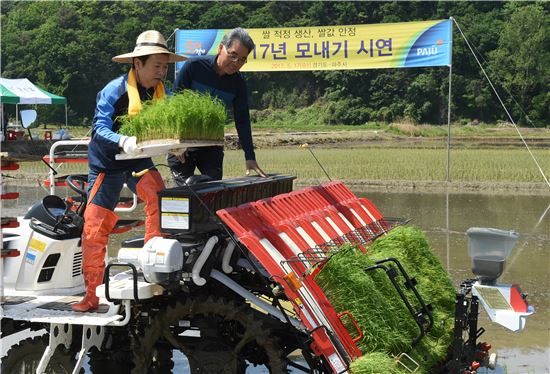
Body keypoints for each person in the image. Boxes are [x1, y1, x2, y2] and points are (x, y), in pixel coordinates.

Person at [72, 30, 185, 312]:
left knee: (159, 199)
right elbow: (99, 129)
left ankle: (152, 264)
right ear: (138, 64)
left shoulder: (161, 94)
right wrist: (123, 140)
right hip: (107, 164)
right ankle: (90, 295)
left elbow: (165, 127)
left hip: (137, 160)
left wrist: (175, 146)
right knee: (95, 227)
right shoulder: (114, 90)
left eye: (165, 66)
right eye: (157, 66)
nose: (162, 72)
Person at [167, 27, 266, 184]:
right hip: (183, 143)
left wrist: (250, 156)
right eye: (233, 55)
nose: (236, 63)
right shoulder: (194, 67)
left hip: (212, 143)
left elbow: (242, 121)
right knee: (185, 195)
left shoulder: (238, 83)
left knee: (212, 192)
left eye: (242, 59)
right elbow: (173, 106)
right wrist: (175, 144)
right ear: (221, 48)